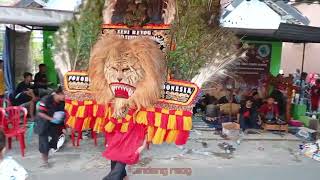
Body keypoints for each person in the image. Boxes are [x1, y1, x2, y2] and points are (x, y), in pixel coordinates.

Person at [34, 87, 65, 167]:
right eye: (64, 95)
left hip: (53, 123)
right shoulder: (46, 99)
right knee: (44, 143)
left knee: (57, 140)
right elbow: (40, 113)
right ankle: (45, 161)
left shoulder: (62, 102)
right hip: (42, 123)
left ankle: (48, 148)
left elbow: (62, 114)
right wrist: (52, 119)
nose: (65, 97)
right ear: (58, 94)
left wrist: (64, 126)